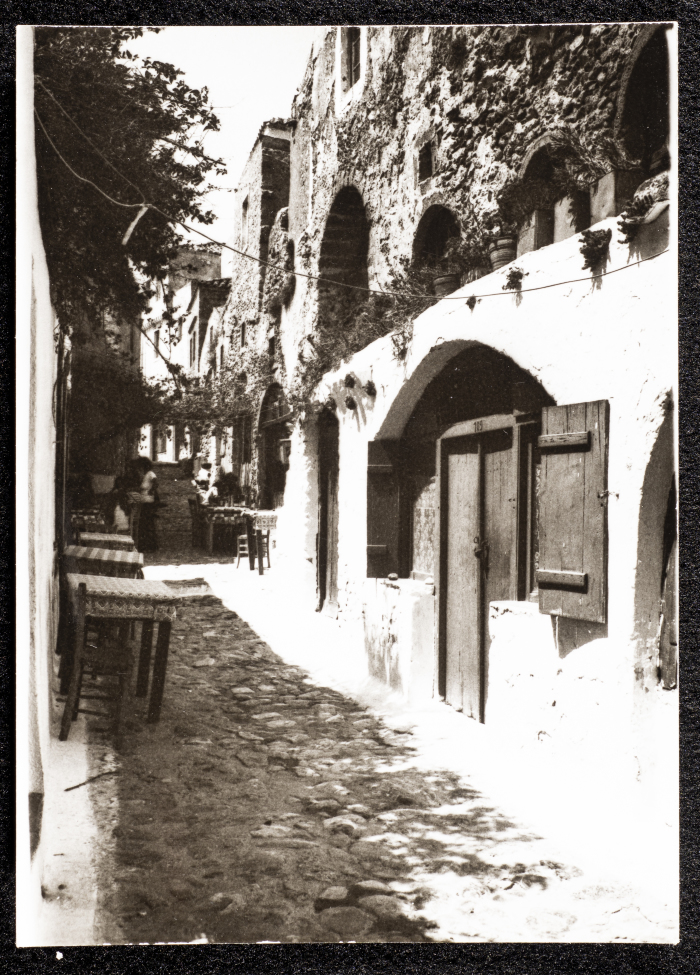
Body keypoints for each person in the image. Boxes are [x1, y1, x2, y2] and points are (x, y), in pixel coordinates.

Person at [137, 457, 160, 552]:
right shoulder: (145, 475)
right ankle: (148, 545)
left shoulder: (150, 474)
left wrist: (152, 490)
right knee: (145, 524)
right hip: (144, 501)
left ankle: (151, 546)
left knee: (147, 524)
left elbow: (156, 482)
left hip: (148, 502)